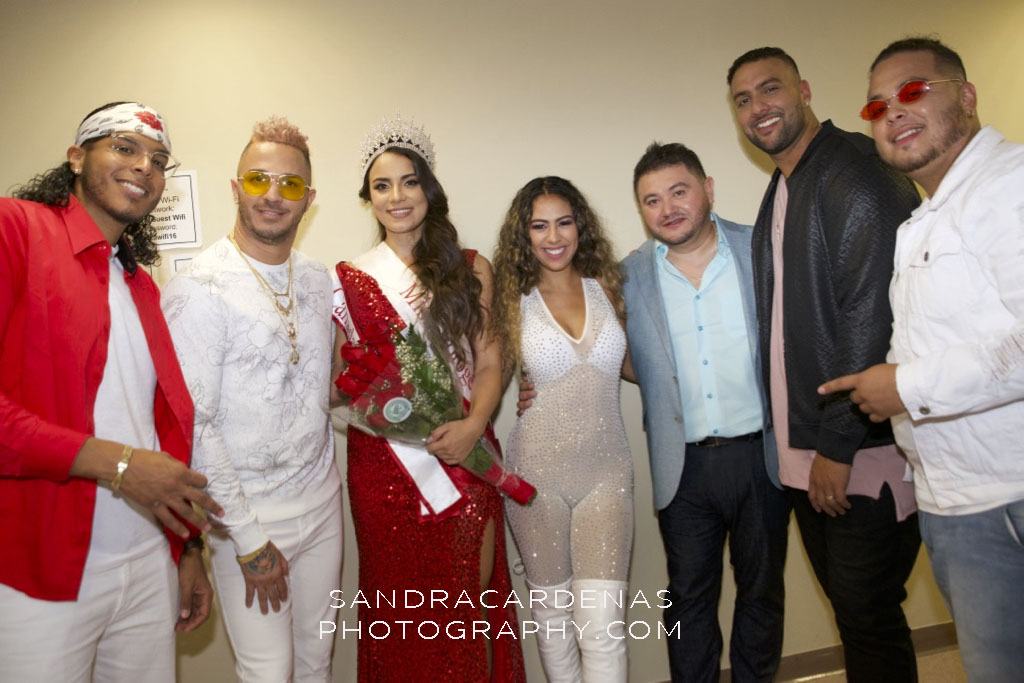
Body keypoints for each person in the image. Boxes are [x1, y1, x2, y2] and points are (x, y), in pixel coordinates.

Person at [820, 37, 1024, 682]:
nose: (894, 112)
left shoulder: (1009, 184)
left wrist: (906, 386)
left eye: (913, 91)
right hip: (956, 501)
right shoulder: (923, 220)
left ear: (966, 97)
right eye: (877, 105)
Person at [0, 101, 222, 682]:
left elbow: (158, 428)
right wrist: (119, 466)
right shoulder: (14, 229)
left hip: (147, 560)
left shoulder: (141, 283)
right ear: (76, 158)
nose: (145, 166)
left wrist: (187, 550)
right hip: (40, 569)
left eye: (159, 159)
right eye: (125, 148)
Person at [727, 48, 923, 682]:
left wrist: (837, 446)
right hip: (811, 455)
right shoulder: (786, 183)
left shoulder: (853, 171)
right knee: (855, 616)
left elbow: (872, 312)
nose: (758, 107)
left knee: (868, 617)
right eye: (743, 99)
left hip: (858, 453)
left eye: (770, 88)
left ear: (804, 90)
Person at [330, 115, 525, 682]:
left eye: (409, 182)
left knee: (468, 614)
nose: (397, 197)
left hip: (463, 451)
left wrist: (475, 424)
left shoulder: (470, 266)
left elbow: (490, 361)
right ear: (368, 198)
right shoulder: (348, 279)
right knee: (400, 617)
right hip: (383, 467)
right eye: (382, 185)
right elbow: (343, 380)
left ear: (429, 190)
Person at [162, 116, 342, 682]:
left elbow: (321, 385)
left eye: (291, 184)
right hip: (250, 516)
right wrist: (246, 538)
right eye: (259, 179)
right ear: (236, 187)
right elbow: (196, 423)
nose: (273, 195)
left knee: (316, 662)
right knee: (269, 672)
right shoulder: (198, 287)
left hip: (323, 504)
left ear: (309, 198)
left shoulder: (319, 280)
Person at [625, 143, 788, 682]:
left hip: (762, 459)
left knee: (762, 593)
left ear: (708, 189)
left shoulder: (760, 248)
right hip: (684, 468)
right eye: (652, 200)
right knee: (687, 603)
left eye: (679, 191)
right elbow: (601, 352)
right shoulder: (626, 276)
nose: (667, 208)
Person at [492, 176, 633, 682]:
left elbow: (637, 366)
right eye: (539, 226)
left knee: (604, 626)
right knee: (553, 622)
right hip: (536, 479)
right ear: (524, 234)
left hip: (607, 473)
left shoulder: (607, 288)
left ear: (580, 227)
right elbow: (486, 377)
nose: (553, 237)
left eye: (564, 222)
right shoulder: (512, 301)